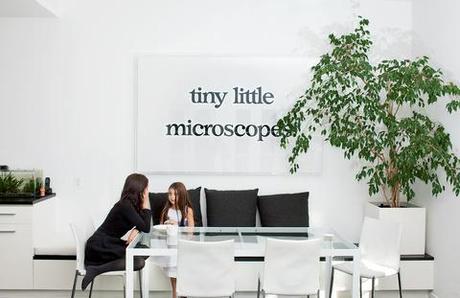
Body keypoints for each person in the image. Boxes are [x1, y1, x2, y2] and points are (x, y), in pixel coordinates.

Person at [81, 173, 151, 290]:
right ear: (140, 189)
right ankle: (96, 270)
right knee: (139, 262)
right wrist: (146, 202)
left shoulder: (130, 205)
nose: (148, 191)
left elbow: (144, 226)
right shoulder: (125, 205)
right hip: (100, 245)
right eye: (146, 188)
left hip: (109, 243)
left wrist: (136, 229)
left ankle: (97, 269)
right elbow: (146, 227)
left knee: (145, 251)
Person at [159, 182, 194, 298]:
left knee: (181, 275)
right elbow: (160, 231)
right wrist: (166, 226)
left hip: (183, 247)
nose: (172, 197)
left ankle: (181, 294)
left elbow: (191, 233)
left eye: (176, 194)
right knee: (173, 276)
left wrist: (177, 227)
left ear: (182, 195)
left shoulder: (187, 210)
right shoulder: (166, 211)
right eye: (170, 194)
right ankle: (175, 295)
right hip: (170, 247)